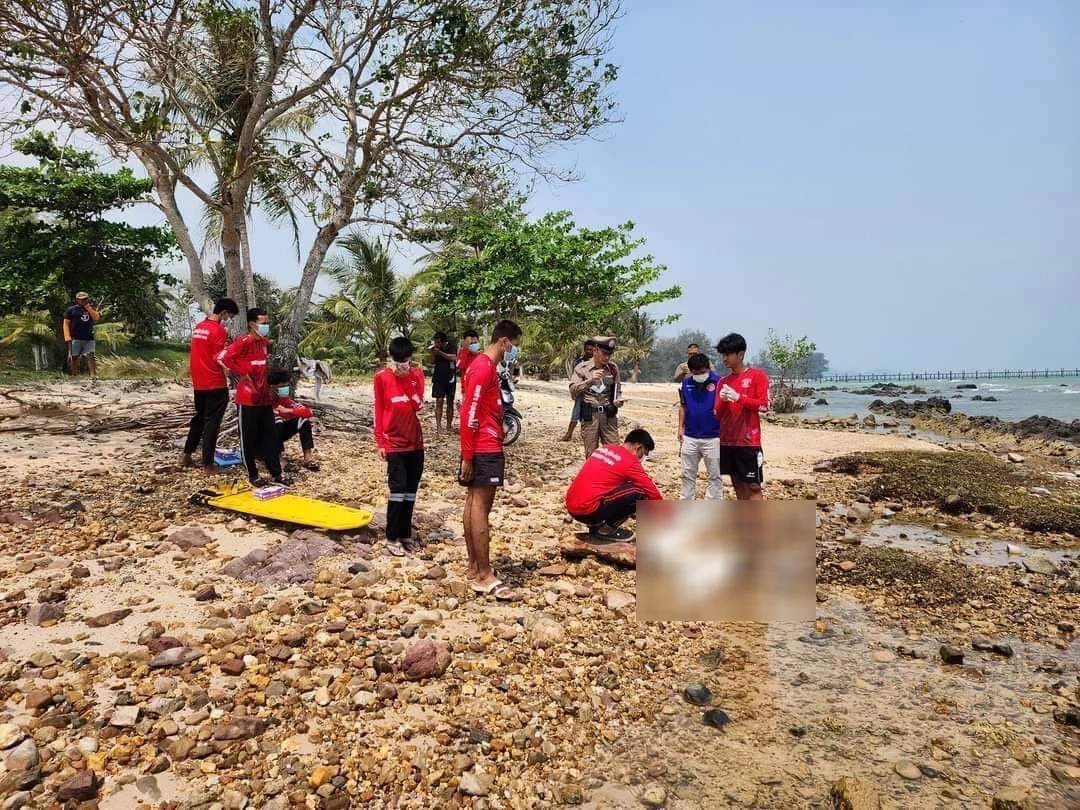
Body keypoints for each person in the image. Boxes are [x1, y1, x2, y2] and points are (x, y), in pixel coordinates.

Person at [459, 319, 522, 597]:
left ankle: (475, 567)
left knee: (473, 503)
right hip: (484, 446)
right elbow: (469, 413)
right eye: (515, 346)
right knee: (480, 507)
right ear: (505, 342)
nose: (515, 352)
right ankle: (483, 574)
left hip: (482, 445)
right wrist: (468, 456)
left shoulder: (483, 367)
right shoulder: (483, 367)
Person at [217, 308, 292, 486]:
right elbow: (222, 357)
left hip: (264, 398)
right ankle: (253, 474)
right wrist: (242, 373)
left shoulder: (263, 343)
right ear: (252, 324)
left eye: (267, 323)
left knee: (270, 437)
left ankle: (276, 474)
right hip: (248, 399)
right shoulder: (244, 342)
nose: (266, 326)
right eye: (263, 323)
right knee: (248, 439)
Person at [373, 337, 426, 556]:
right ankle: (392, 536)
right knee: (397, 490)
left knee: (410, 492)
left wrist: (406, 381)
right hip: (393, 443)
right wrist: (380, 441)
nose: (403, 364)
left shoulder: (417, 375)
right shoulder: (382, 378)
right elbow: (378, 408)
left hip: (414, 441)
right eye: (398, 360)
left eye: (406, 360)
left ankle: (405, 533)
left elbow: (418, 405)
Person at [565, 429, 663, 540]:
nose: (642, 457)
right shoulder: (630, 461)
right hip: (588, 510)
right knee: (640, 491)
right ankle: (605, 530)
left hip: (572, 506)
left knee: (621, 484)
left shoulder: (604, 449)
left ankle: (595, 525)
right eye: (644, 453)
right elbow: (651, 490)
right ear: (638, 447)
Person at [182, 298, 240, 472]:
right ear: (224, 313)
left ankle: (187, 454)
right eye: (229, 315)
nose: (229, 318)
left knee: (199, 419)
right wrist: (232, 369)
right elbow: (219, 357)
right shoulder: (219, 330)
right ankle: (208, 463)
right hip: (214, 382)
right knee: (212, 423)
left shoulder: (199, 326)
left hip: (198, 382)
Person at [714, 332, 770, 500]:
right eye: (723, 354)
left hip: (749, 441)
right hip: (727, 440)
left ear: (741, 354)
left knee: (753, 485)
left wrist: (739, 398)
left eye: (728, 354)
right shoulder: (722, 382)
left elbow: (764, 405)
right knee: (737, 483)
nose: (725, 358)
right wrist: (724, 400)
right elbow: (717, 413)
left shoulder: (757, 376)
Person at [568, 336, 624, 458]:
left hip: (609, 417)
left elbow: (617, 390)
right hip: (590, 417)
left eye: (609, 354)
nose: (607, 357)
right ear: (595, 351)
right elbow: (573, 390)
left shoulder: (613, 369)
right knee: (592, 456)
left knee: (614, 454)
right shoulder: (581, 368)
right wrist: (590, 381)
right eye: (604, 354)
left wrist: (618, 400)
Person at [678, 353, 723, 499]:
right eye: (695, 373)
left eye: (702, 372)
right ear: (690, 371)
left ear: (708, 368)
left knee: (714, 475)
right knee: (687, 474)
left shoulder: (719, 382)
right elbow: (683, 406)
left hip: (714, 436)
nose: (699, 375)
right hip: (690, 435)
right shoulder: (686, 383)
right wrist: (680, 428)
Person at [267, 369, 320, 472]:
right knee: (277, 420)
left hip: (279, 434)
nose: (285, 389)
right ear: (272, 387)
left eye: (286, 385)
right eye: (282, 386)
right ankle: (279, 459)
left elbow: (308, 412)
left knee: (303, 420)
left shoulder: (284, 400)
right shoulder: (264, 400)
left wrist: (289, 410)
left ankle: (308, 458)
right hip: (264, 438)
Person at [561, 338, 596, 442]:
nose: (589, 352)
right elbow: (575, 378)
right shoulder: (579, 362)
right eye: (587, 349)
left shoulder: (597, 362)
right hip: (581, 391)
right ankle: (569, 433)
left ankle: (586, 435)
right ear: (584, 349)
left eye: (591, 350)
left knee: (590, 415)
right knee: (576, 412)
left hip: (593, 392)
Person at [63, 292, 101, 379]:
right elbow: (66, 323)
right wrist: (67, 336)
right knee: (74, 356)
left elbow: (96, 318)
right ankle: (74, 374)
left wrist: (88, 308)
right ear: (77, 300)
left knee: (90, 355)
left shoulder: (91, 308)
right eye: (82, 299)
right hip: (75, 336)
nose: (84, 301)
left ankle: (93, 375)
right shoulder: (71, 310)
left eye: (85, 299)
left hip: (88, 337)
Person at [429, 331, 457, 434]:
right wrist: (433, 353)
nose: (436, 344)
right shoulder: (435, 349)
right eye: (435, 342)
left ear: (443, 342)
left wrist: (440, 352)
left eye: (438, 342)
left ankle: (449, 426)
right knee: (439, 401)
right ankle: (439, 426)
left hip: (450, 377)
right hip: (438, 377)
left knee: (450, 401)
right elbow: (432, 361)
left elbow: (453, 357)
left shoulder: (451, 347)